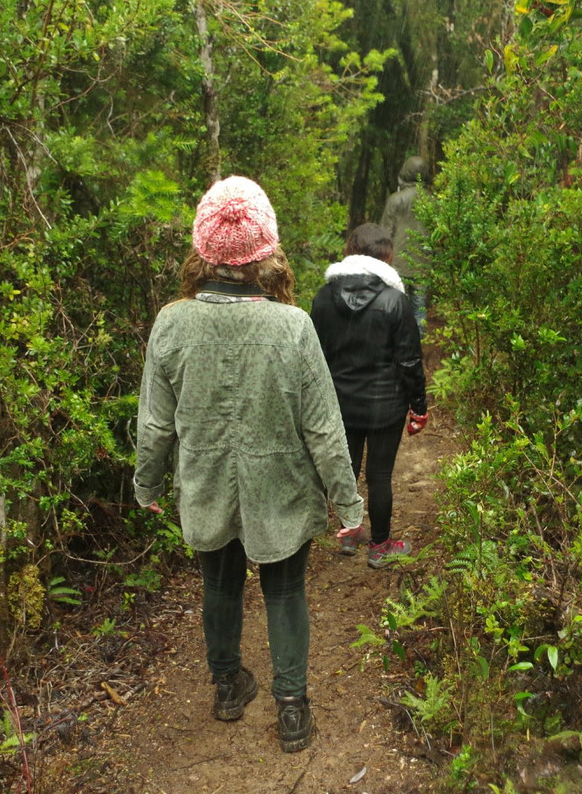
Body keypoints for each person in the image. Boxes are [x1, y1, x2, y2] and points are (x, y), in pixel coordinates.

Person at [133, 176, 364, 753]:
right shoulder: (293, 327)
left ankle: (227, 688)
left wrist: (148, 482)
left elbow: (156, 424)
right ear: (266, 250)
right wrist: (350, 501)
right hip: (281, 488)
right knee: (284, 592)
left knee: (219, 585)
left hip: (206, 482)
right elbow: (324, 428)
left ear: (204, 249)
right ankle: (291, 708)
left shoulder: (172, 322)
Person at [310, 222, 428, 569]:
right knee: (379, 476)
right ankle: (379, 546)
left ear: (348, 251)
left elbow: (315, 356)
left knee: (345, 470)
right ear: (387, 256)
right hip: (384, 406)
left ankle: (350, 535)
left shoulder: (322, 297)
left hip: (339, 404)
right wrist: (418, 406)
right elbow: (408, 360)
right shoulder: (396, 300)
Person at [379, 155, 431, 333]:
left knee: (397, 308)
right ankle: (416, 350)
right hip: (424, 264)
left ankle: (398, 348)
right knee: (419, 309)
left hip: (397, 265)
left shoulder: (395, 200)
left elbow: (385, 234)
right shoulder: (433, 201)